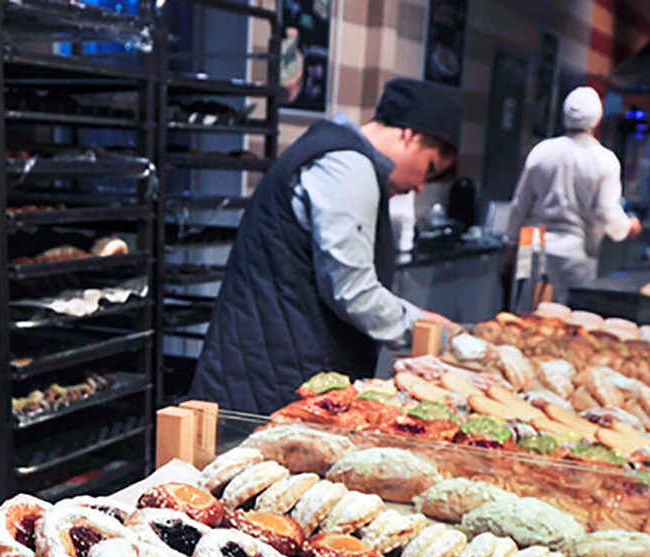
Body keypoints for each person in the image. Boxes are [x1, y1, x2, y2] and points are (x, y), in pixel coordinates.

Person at [191, 78, 461, 415]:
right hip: (275, 375)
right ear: (410, 136)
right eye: (429, 168)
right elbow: (353, 290)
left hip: (267, 363)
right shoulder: (347, 166)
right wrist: (426, 327)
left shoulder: (334, 150)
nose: (420, 186)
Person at [504, 87, 642, 303]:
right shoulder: (605, 160)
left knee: (522, 313)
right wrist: (627, 227)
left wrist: (511, 245)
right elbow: (606, 211)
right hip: (575, 254)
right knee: (566, 318)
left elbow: (519, 205)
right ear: (597, 120)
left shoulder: (541, 151)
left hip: (530, 249)